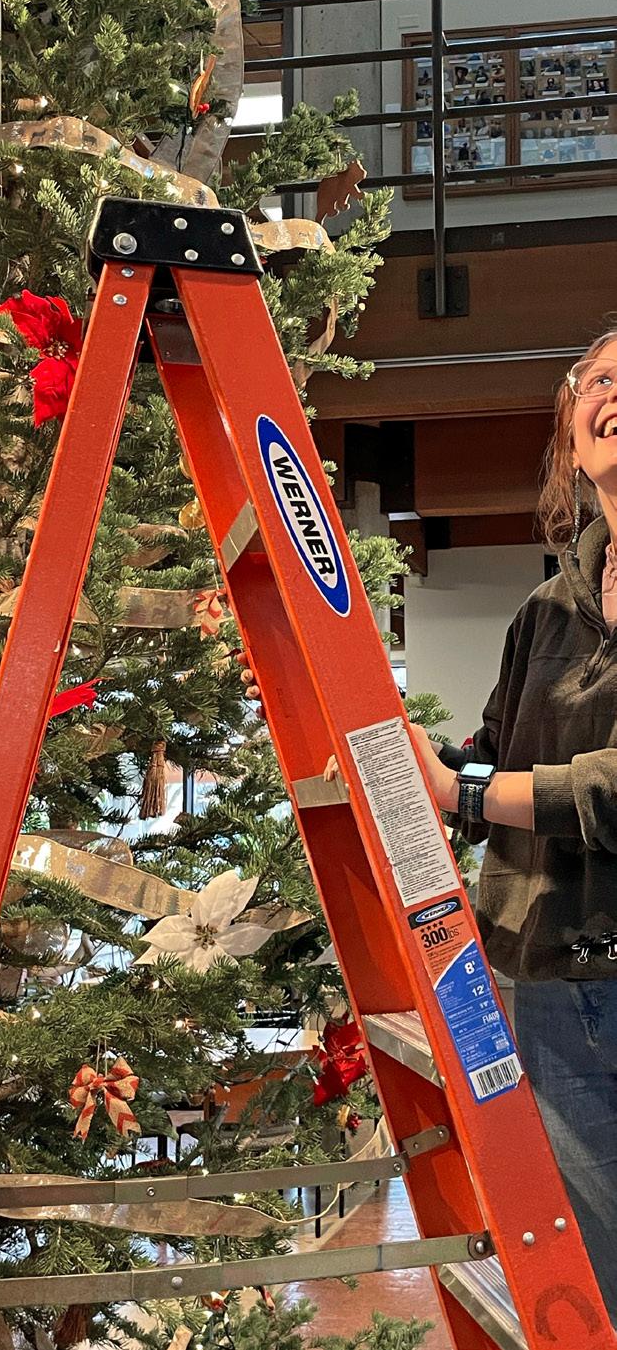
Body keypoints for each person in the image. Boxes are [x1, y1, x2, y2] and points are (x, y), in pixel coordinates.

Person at [239, 330, 617, 1321]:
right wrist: (404, 753)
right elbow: (489, 753)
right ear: (571, 432)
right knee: (588, 1274)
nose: (614, 393)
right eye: (599, 380)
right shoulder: (546, 611)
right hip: (545, 976)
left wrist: (463, 792)